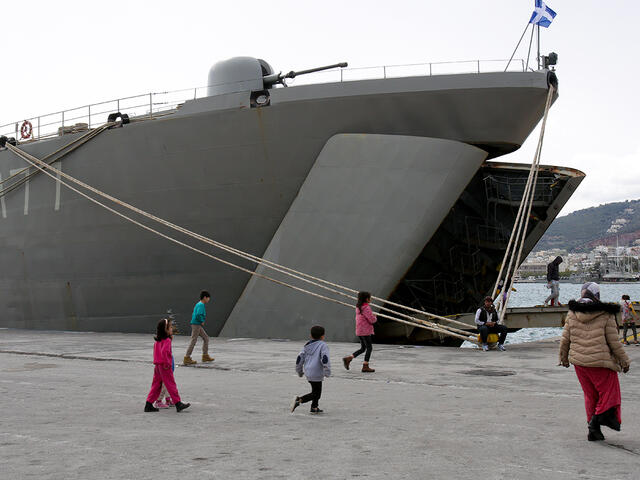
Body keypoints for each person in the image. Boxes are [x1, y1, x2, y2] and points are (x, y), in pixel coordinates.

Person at [559, 282, 631, 441]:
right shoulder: (606, 314)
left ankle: (593, 431)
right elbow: (614, 342)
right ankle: (595, 422)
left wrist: (563, 359)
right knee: (609, 394)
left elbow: (565, 340)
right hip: (601, 363)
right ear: (596, 295)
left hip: (580, 364)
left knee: (590, 396)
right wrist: (625, 361)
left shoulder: (573, 313)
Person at [145, 319, 191, 412]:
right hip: (165, 366)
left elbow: (156, 352)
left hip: (157, 365)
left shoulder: (158, 340)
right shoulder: (167, 340)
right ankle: (178, 403)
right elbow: (165, 352)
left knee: (156, 385)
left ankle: (148, 404)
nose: (171, 328)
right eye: (170, 327)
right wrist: (167, 363)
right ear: (165, 330)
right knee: (171, 384)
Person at [291, 325, 331, 414]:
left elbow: (299, 359)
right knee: (316, 394)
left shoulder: (307, 345)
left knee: (315, 390)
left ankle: (314, 407)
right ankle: (299, 400)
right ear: (323, 336)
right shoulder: (323, 346)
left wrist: (299, 371)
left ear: (311, 335)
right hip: (317, 372)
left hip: (308, 371)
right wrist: (327, 371)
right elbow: (325, 359)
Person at [342, 291, 377, 373]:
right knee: (369, 348)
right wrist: (375, 317)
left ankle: (349, 358)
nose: (370, 299)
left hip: (360, 331)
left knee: (363, 348)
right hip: (365, 331)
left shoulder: (358, 307)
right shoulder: (366, 308)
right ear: (367, 299)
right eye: (369, 298)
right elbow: (372, 320)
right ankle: (365, 366)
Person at [184, 290, 215, 365]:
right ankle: (187, 357)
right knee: (194, 340)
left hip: (196, 324)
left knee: (206, 338)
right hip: (196, 324)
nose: (208, 299)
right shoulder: (201, 305)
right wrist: (202, 321)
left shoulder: (199, 304)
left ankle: (205, 356)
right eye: (208, 298)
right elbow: (198, 314)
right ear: (204, 297)